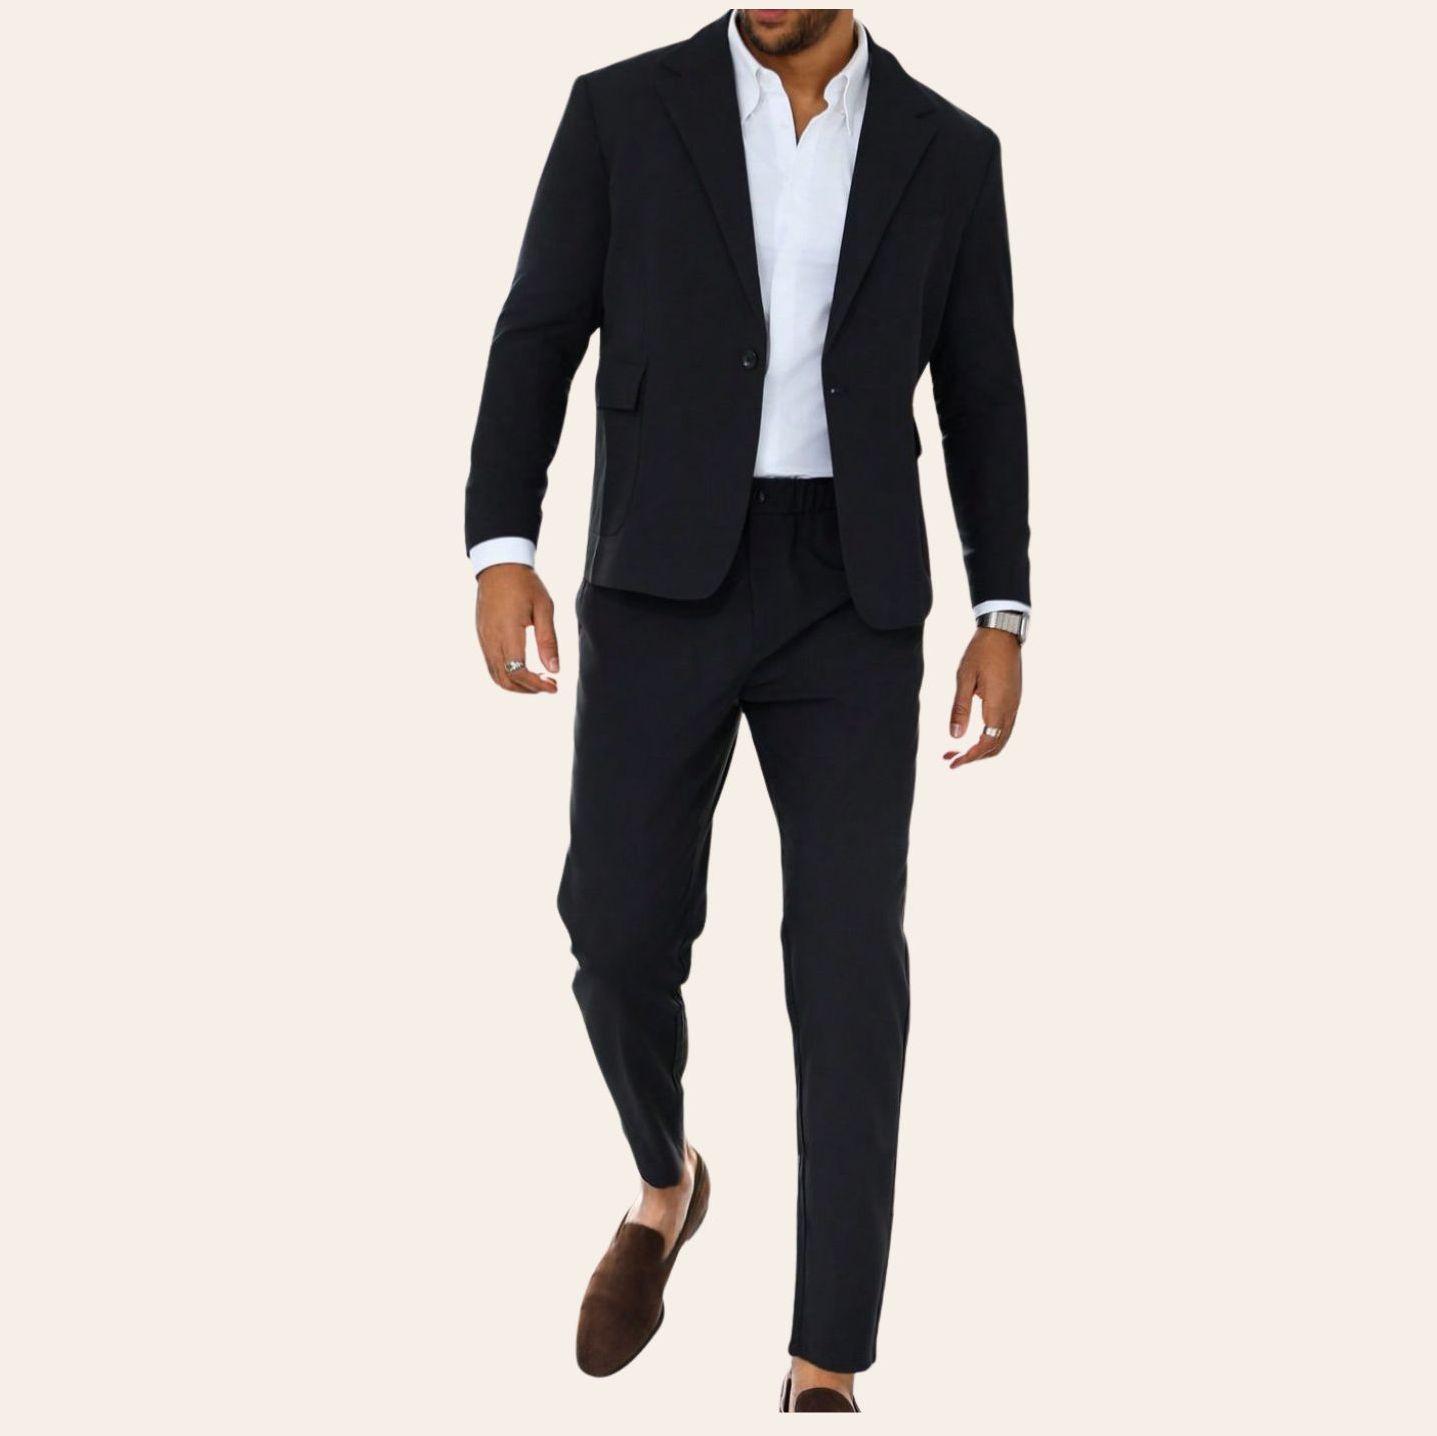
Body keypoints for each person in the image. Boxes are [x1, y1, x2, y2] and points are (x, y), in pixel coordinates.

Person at [465, 9, 1029, 1412]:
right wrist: (501, 545)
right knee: (614, 929)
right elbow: (538, 330)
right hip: (658, 575)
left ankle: (825, 1360)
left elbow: (983, 388)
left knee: (848, 967)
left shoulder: (950, 151)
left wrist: (1002, 608)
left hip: (854, 594)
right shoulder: (620, 110)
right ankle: (667, 1182)